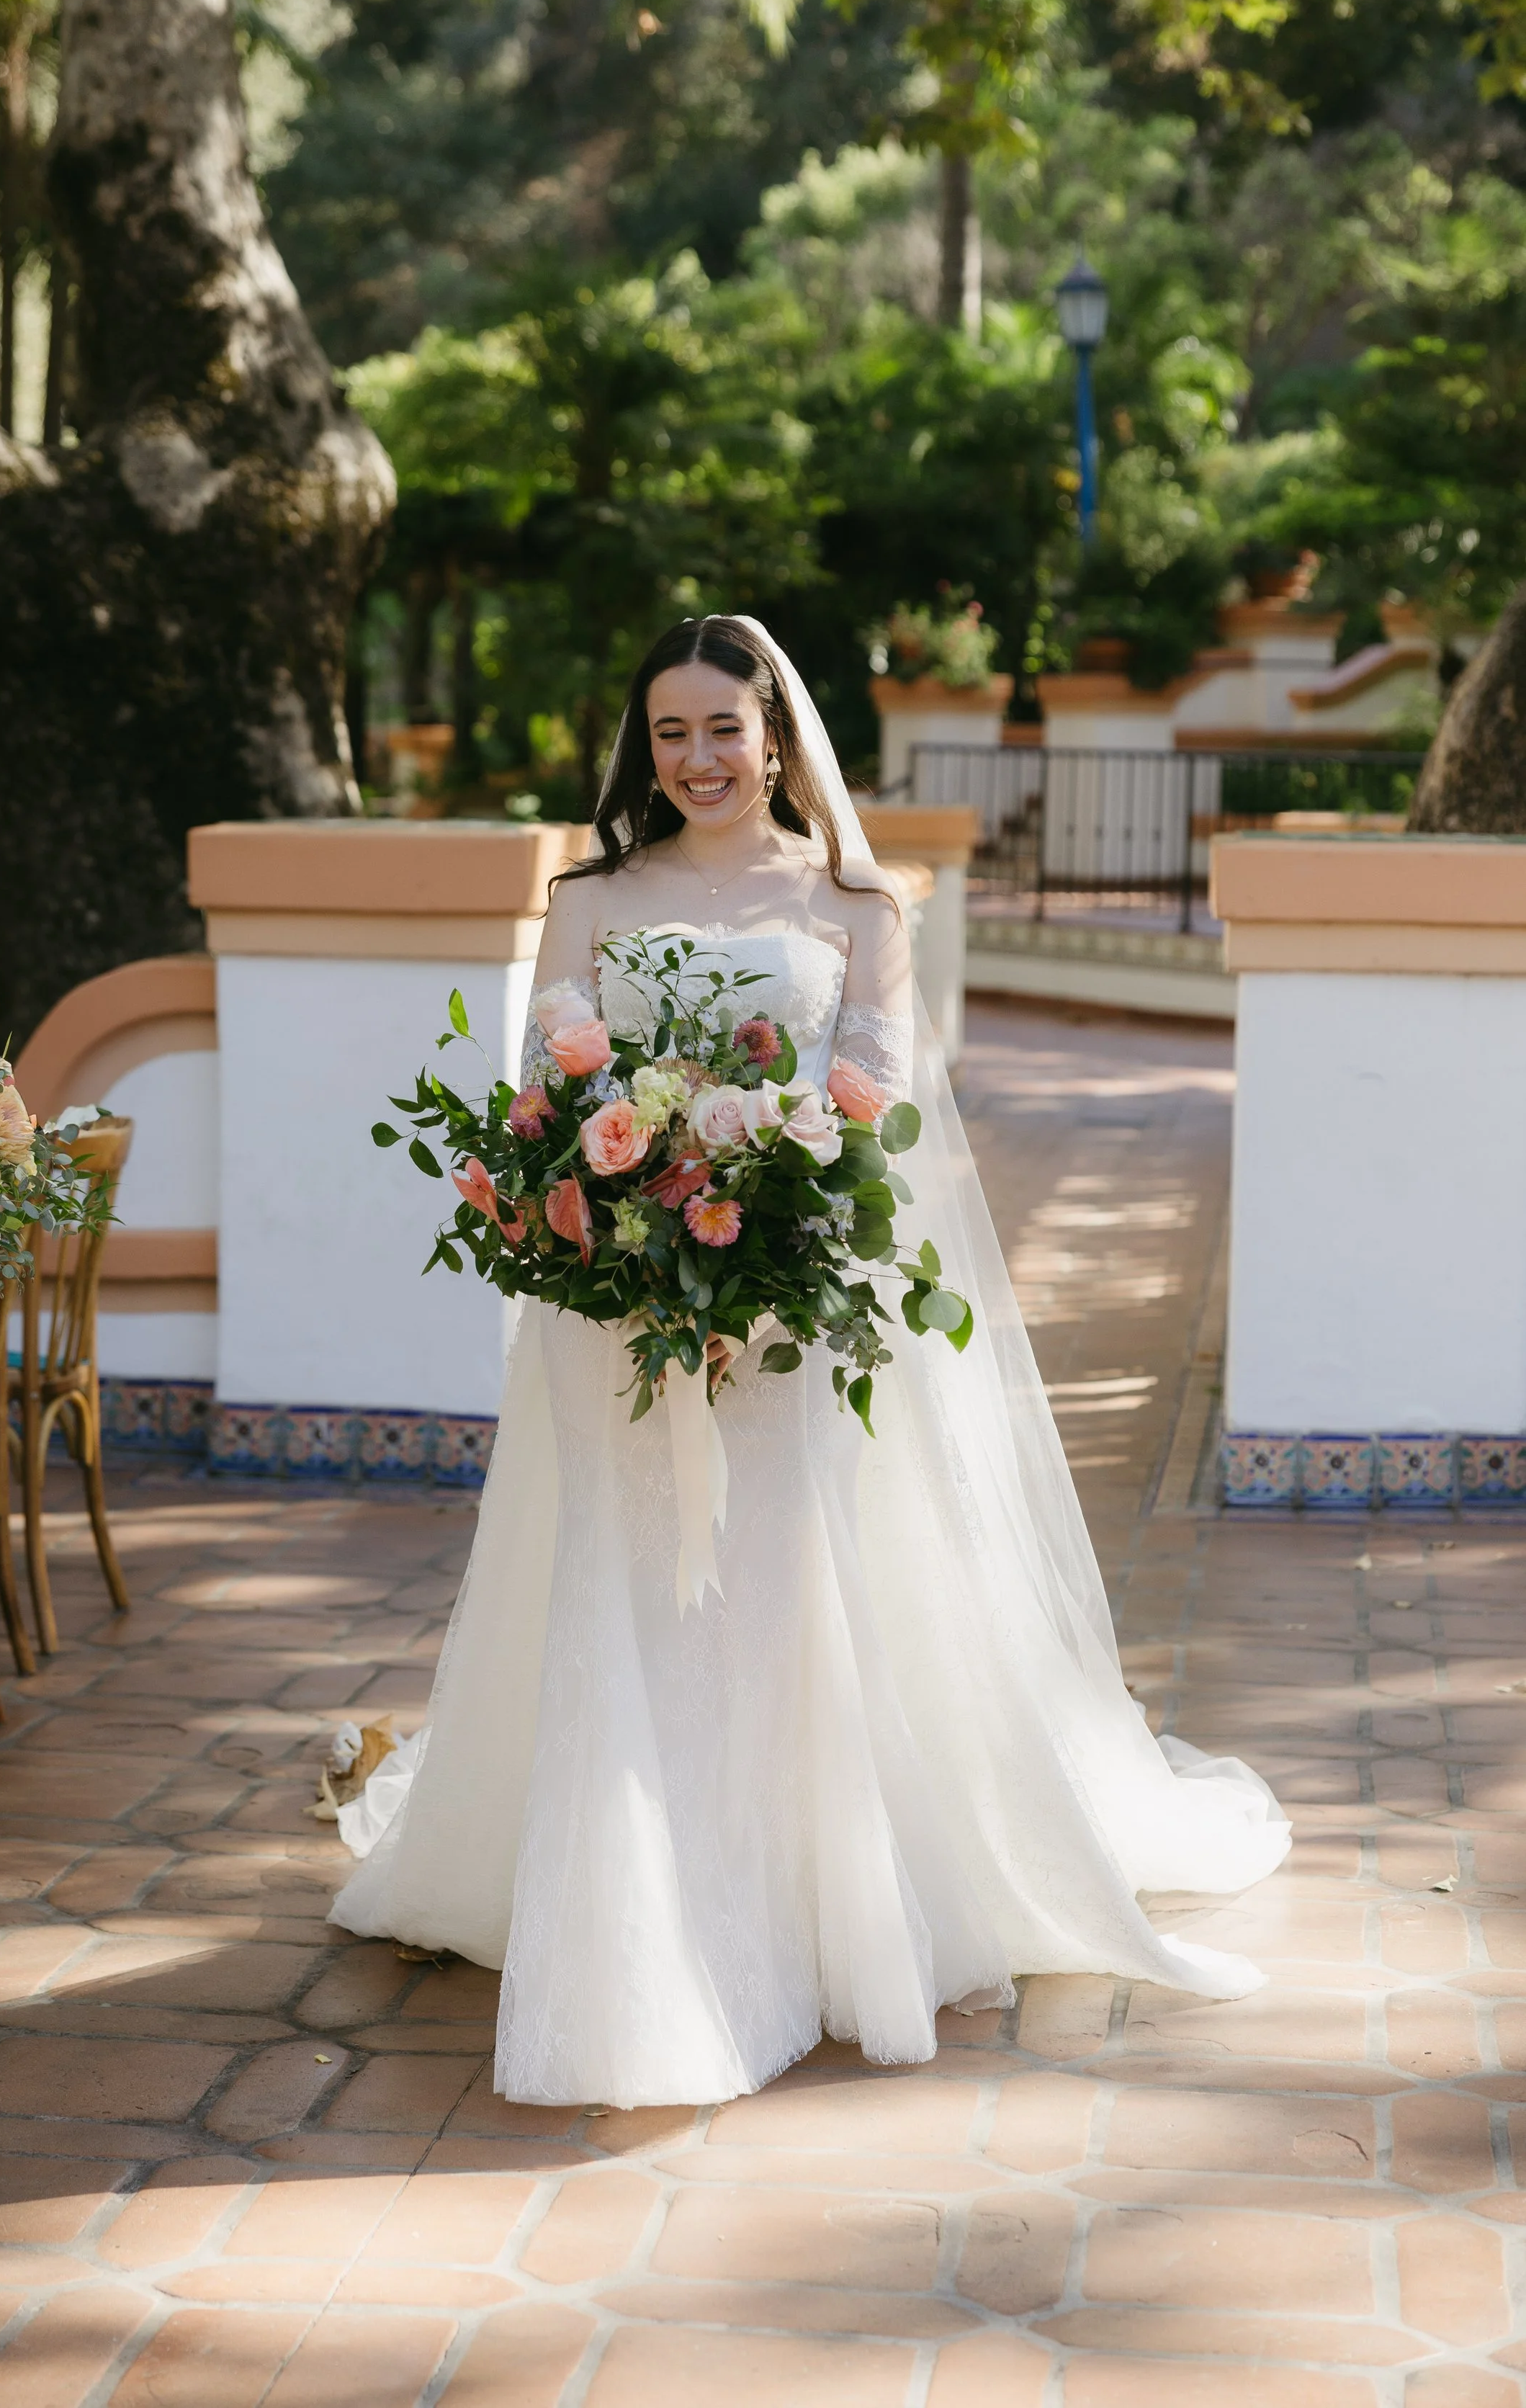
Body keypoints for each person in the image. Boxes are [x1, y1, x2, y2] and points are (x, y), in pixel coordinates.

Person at [331, 615, 1289, 2108]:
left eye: (723, 728)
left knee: (778, 1597)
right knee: (624, 1588)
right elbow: (541, 1103)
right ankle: (632, 1920)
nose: (699, 759)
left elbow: (876, 1128)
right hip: (616, 1320)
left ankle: (796, 1915)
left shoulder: (855, 906)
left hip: (782, 1321)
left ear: (776, 737)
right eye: (669, 734)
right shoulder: (591, 898)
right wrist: (625, 1224)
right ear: (641, 753)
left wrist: (757, 1242)